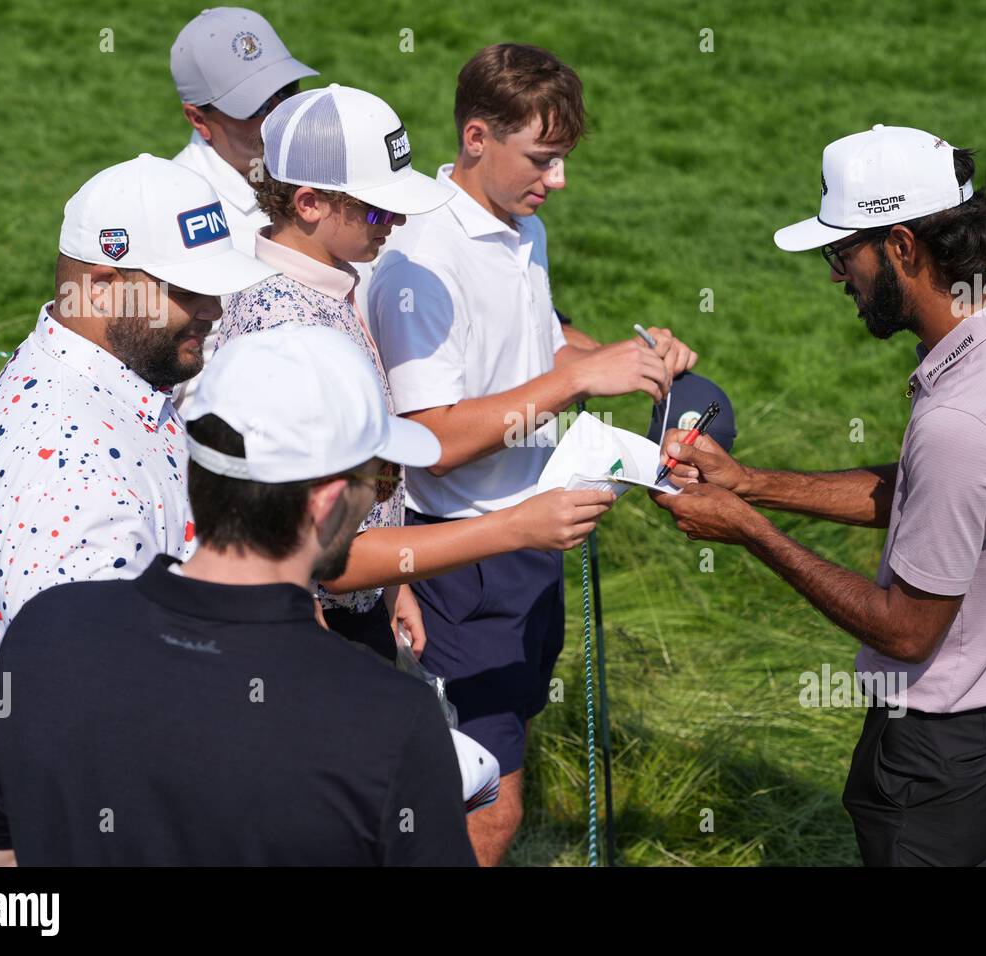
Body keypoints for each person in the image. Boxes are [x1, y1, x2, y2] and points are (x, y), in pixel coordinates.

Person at [652, 125, 986, 866]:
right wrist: (752, 482)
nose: (836, 275)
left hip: (935, 759)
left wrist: (747, 528)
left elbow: (906, 631)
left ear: (904, 248)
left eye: (842, 253)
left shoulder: (958, 424)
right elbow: (933, 496)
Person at [0, 324, 478, 866]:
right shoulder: (393, 721)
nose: (379, 495)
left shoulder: (47, 632)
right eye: (379, 479)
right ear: (328, 503)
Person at [367, 43, 698, 865]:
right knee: (487, 813)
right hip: (457, 563)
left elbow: (536, 343)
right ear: (476, 136)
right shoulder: (421, 258)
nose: (557, 182)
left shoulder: (522, 227)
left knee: (472, 781)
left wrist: (635, 365)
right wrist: (582, 376)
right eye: (543, 159)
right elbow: (432, 439)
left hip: (526, 547)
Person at [217, 83, 617, 662]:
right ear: (308, 203)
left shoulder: (329, 284)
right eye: (378, 207)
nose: (398, 219)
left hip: (356, 605)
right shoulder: (289, 333)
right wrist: (517, 528)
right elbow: (327, 556)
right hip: (308, 632)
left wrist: (393, 585)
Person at [0, 153, 275, 747]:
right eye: (189, 291)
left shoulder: (121, 386)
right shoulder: (69, 462)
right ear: (102, 290)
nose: (215, 309)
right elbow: (98, 687)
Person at [168, 6, 318, 414]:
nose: (280, 115)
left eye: (288, 92)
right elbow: (164, 386)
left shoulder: (325, 166)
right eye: (254, 108)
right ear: (198, 118)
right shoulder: (174, 218)